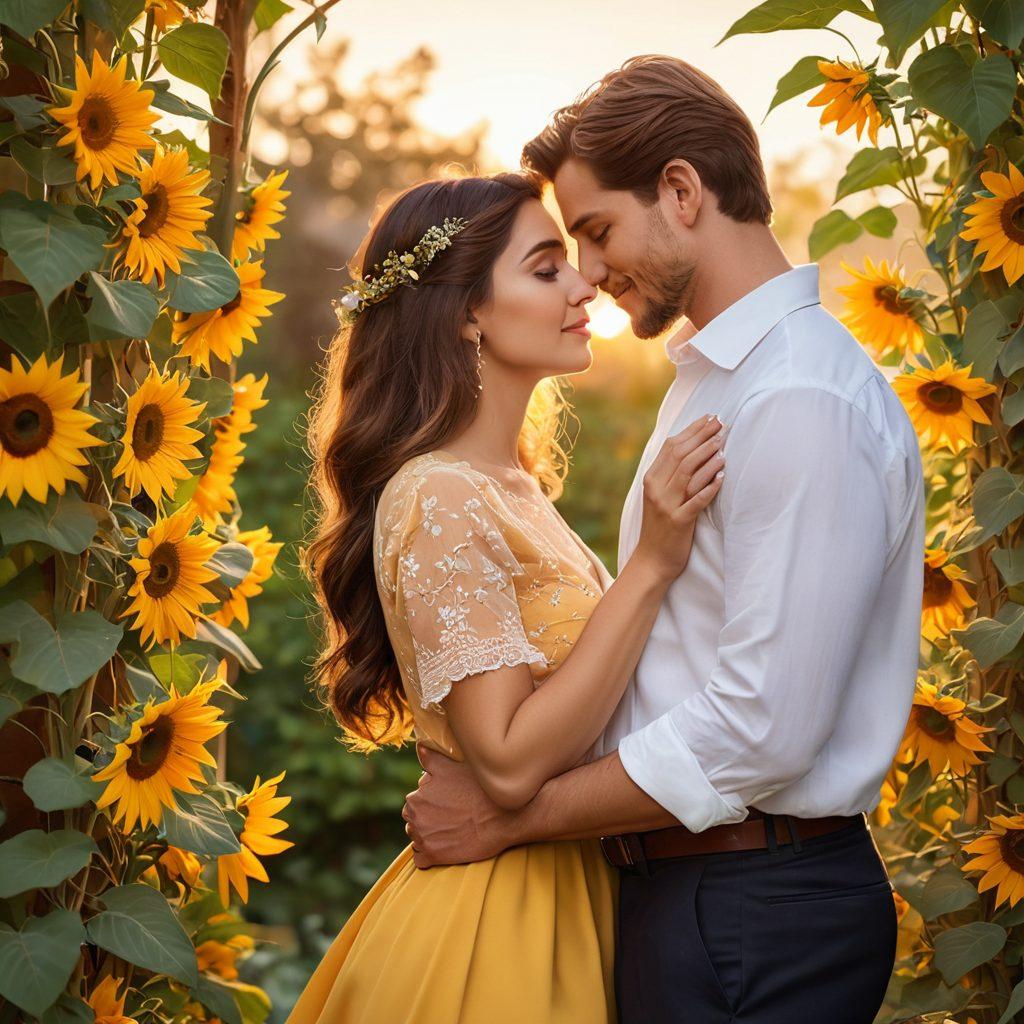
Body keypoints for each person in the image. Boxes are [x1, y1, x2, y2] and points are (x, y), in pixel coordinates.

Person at [403, 56, 927, 1024]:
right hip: (692, 885)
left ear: (681, 191)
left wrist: (514, 814)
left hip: (751, 901)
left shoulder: (798, 397)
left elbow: (766, 724)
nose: (591, 276)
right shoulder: (715, 376)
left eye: (596, 232)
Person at [286, 170, 726, 1024]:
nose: (582, 284)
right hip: (495, 922)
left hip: (574, 888)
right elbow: (511, 759)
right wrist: (651, 566)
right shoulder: (439, 493)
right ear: (465, 313)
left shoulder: (512, 486)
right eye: (546, 267)